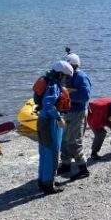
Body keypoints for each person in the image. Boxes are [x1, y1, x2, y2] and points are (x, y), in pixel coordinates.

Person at [36, 60, 74, 194]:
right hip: (49, 122)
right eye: (66, 77)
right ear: (60, 75)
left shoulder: (48, 82)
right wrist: (59, 118)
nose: (66, 80)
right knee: (52, 153)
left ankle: (43, 180)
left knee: (44, 152)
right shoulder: (53, 86)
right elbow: (49, 104)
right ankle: (48, 185)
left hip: (42, 119)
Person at [58, 52, 92, 178]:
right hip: (67, 111)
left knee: (74, 140)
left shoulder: (81, 77)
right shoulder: (66, 76)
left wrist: (68, 95)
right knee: (64, 139)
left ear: (74, 65)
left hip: (78, 112)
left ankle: (83, 168)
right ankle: (66, 164)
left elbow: (85, 96)